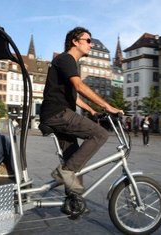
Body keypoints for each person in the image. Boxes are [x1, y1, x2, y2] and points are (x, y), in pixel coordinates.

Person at [40, 27, 123, 195]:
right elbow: (79, 86)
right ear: (75, 42)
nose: (91, 45)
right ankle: (65, 172)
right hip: (58, 114)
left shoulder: (68, 63)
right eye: (88, 41)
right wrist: (107, 106)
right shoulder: (66, 59)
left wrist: (92, 111)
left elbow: (74, 96)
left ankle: (74, 202)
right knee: (100, 134)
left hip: (56, 113)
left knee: (74, 157)